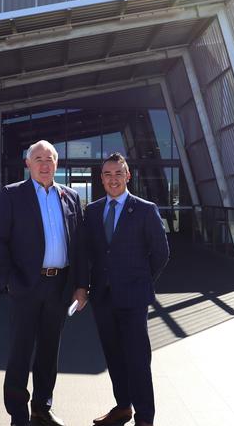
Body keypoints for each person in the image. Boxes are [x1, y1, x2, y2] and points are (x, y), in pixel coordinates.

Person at [0, 140, 84, 426]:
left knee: (48, 351)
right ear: (28, 164)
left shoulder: (70, 197)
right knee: (20, 351)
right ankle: (18, 414)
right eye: (39, 158)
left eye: (50, 159)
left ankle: (42, 408)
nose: (45, 164)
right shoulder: (12, 195)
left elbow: (79, 245)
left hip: (60, 286)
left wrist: (81, 285)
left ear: (57, 164)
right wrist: (9, 281)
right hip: (26, 286)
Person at [74, 152, 169, 426]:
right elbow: (86, 252)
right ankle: (123, 407)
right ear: (101, 178)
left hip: (134, 298)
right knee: (114, 356)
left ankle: (145, 418)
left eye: (118, 173)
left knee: (138, 360)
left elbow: (161, 253)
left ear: (128, 176)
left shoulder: (144, 209)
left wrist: (141, 280)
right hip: (103, 298)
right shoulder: (91, 211)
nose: (113, 179)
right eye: (107, 174)